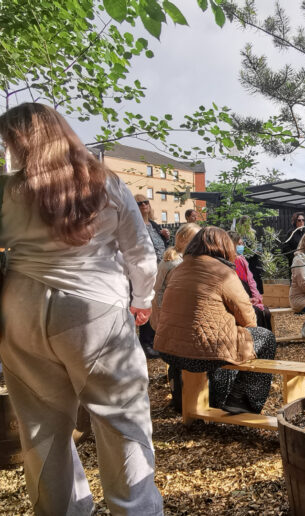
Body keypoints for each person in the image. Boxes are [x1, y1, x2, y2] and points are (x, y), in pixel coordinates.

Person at [0, 102, 162, 513]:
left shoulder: (7, 189)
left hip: (18, 309)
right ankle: (135, 509)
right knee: (121, 419)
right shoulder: (105, 183)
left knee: (41, 426)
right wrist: (142, 301)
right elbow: (140, 252)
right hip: (94, 311)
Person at [155, 227, 277, 414]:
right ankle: (241, 400)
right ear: (225, 247)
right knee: (265, 338)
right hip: (204, 354)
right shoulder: (223, 272)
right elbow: (249, 318)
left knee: (212, 338)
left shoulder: (179, 268)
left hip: (169, 350)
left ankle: (185, 397)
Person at [152, 223, 201, 412]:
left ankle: (179, 398)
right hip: (171, 315)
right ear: (183, 240)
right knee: (177, 358)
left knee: (175, 358)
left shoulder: (174, 258)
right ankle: (181, 400)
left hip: (167, 313)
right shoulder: (177, 263)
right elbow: (173, 293)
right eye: (195, 238)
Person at [134, 192, 169, 358]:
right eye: (139, 203)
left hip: (160, 268)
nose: (144, 205)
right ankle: (145, 342)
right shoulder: (134, 225)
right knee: (147, 303)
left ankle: (155, 340)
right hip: (146, 271)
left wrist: (166, 238)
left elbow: (162, 246)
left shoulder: (154, 225)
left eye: (146, 202)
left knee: (158, 304)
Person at [228, 231, 271, 330]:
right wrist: (247, 300)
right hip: (240, 299)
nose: (241, 246)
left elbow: (250, 281)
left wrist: (256, 297)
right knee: (259, 313)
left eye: (242, 244)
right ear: (232, 244)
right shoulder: (234, 261)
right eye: (239, 244)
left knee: (265, 312)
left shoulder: (241, 259)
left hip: (248, 297)